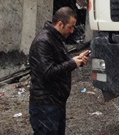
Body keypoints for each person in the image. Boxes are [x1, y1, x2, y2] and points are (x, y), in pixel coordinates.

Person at [29, 7, 91, 135]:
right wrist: (72, 63)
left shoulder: (56, 39)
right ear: (60, 24)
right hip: (45, 105)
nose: (72, 31)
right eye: (70, 27)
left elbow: (59, 62)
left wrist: (76, 60)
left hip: (55, 102)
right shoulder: (43, 42)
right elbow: (48, 72)